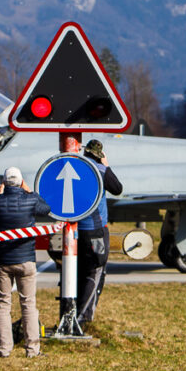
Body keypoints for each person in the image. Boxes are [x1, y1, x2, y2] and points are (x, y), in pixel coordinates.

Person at [0, 166, 51, 358]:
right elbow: (46, 208)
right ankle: (32, 349)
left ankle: (4, 350)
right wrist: (29, 191)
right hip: (26, 259)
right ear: (20, 182)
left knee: (3, 304)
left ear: (3, 183)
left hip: (2, 261)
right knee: (28, 303)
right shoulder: (30, 199)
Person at [76, 139, 122, 325]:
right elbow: (117, 189)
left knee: (78, 271)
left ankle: (71, 314)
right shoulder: (100, 170)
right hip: (95, 230)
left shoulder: (76, 167)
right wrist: (107, 166)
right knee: (95, 272)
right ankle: (84, 319)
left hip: (75, 230)